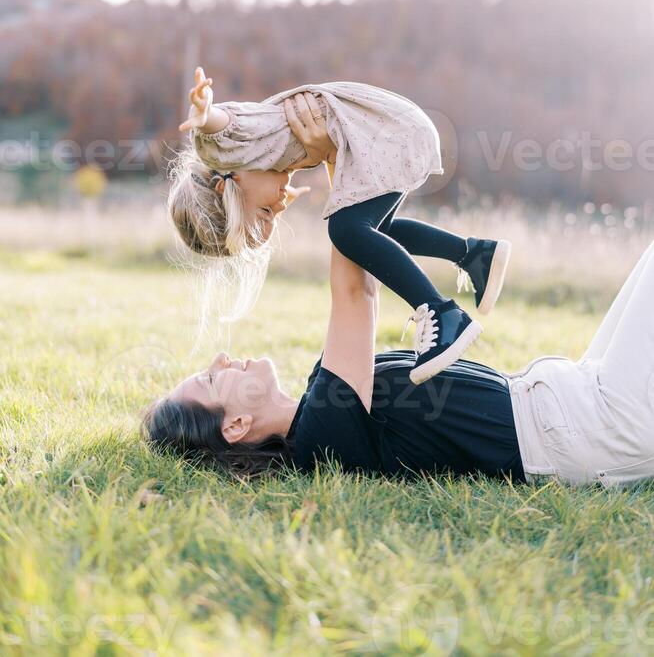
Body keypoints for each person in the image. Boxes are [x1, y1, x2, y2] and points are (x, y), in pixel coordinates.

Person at [145, 102, 654, 488]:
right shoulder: (320, 436)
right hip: (594, 428)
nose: (222, 357)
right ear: (235, 426)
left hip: (579, 399)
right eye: (212, 377)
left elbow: (369, 240)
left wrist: (337, 157)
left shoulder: (318, 406)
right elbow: (355, 292)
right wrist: (337, 152)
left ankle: (472, 254)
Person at [168, 68, 512, 381]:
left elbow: (222, 124)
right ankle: (474, 254)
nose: (279, 204)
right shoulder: (264, 162)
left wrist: (204, 112)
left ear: (226, 187)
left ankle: (440, 312)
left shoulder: (226, 148)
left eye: (264, 212)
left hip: (388, 137)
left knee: (346, 231)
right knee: (371, 234)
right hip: (395, 132)